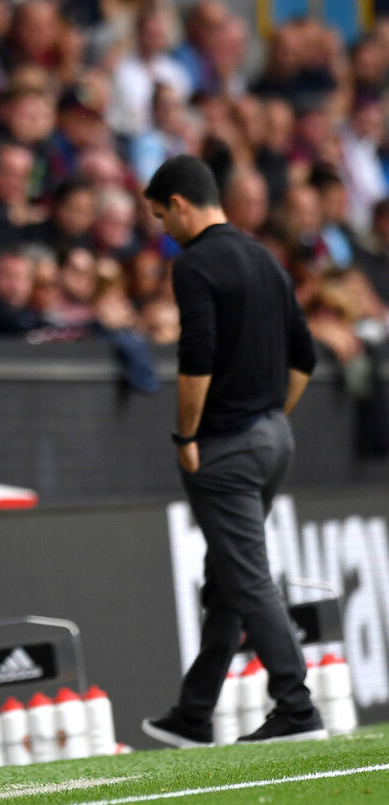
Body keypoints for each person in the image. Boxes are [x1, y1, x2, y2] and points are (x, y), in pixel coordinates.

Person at [140, 154, 324, 747]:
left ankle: (296, 706)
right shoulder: (264, 257)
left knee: (246, 579)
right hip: (273, 438)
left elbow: (197, 358)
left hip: (224, 447)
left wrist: (186, 436)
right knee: (226, 576)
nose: (163, 232)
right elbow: (306, 357)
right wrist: (270, 417)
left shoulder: (195, 265)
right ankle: (194, 714)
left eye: (161, 217)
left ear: (180, 204)